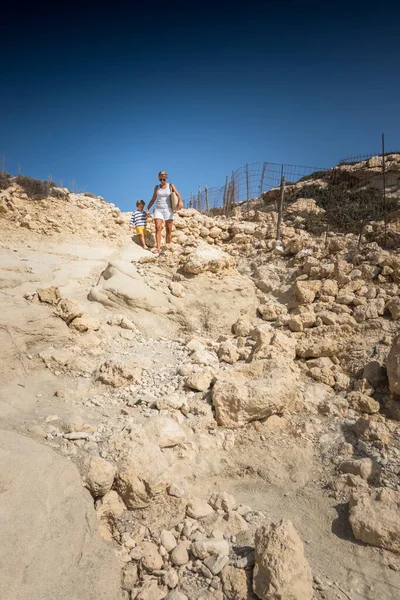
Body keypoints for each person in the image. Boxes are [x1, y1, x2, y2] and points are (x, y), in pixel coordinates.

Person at [146, 170, 183, 255]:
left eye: (163, 179)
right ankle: (158, 248)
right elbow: (153, 199)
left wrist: (180, 201)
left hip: (168, 210)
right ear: (158, 178)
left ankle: (167, 247)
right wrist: (147, 208)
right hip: (158, 209)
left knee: (168, 229)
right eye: (160, 179)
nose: (162, 181)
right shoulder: (156, 187)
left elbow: (178, 194)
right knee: (158, 228)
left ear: (166, 178)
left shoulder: (171, 185)